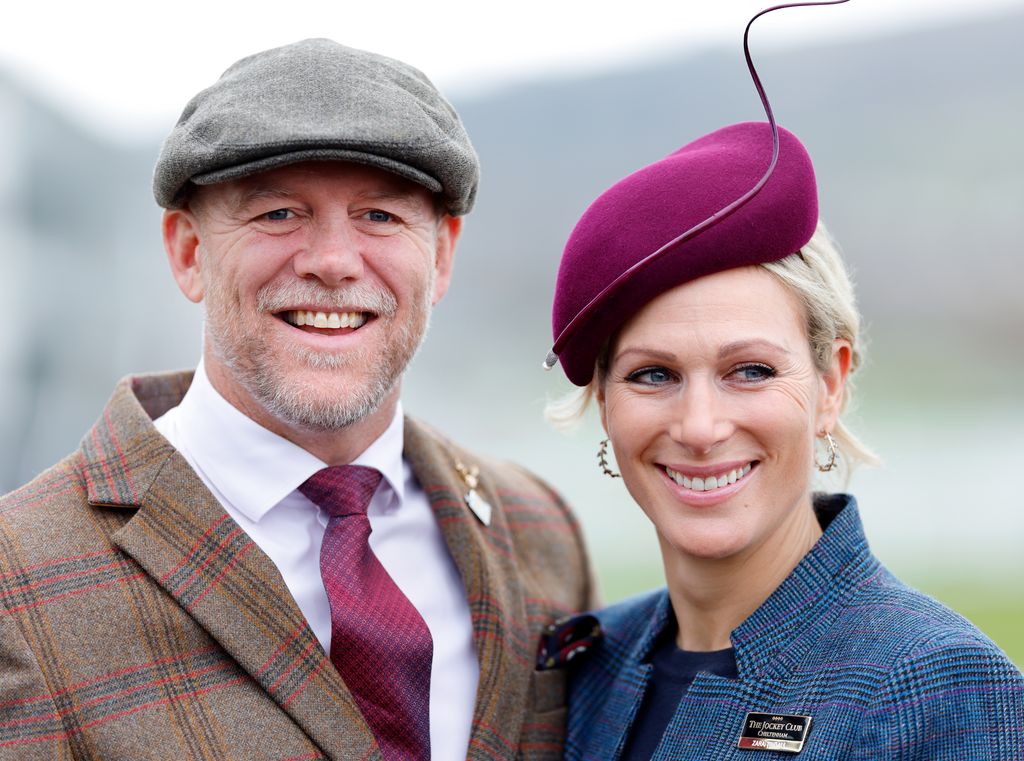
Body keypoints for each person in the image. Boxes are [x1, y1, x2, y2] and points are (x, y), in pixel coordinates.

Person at [0, 39, 595, 760]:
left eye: (379, 215)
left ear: (441, 256)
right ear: (189, 252)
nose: (334, 262)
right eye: (280, 214)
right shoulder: (19, 577)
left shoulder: (539, 531)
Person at [544, 121, 1024, 759]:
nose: (700, 427)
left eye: (750, 371)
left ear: (831, 385)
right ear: (605, 403)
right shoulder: (585, 671)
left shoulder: (941, 688)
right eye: (652, 374)